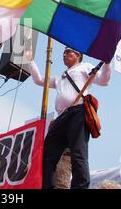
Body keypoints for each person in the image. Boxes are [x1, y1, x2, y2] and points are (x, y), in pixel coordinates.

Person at [27, 47, 111, 189]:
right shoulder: (60, 76)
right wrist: (30, 60)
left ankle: (80, 186)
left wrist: (107, 63)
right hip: (61, 117)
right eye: (64, 52)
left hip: (77, 112)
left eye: (68, 52)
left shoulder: (85, 67)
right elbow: (39, 80)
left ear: (78, 55)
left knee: (78, 153)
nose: (64, 54)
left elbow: (104, 81)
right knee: (47, 155)